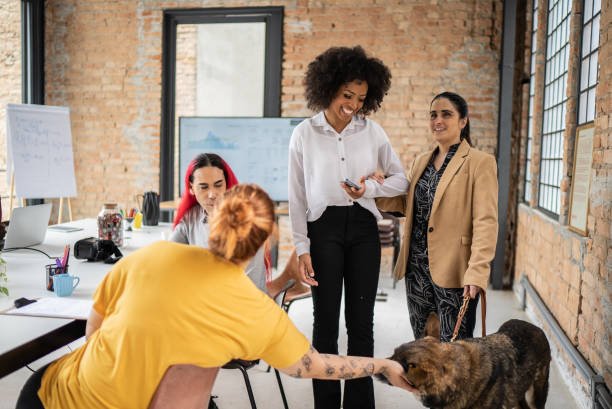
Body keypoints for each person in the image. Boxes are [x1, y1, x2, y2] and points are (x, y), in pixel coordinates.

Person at [16, 184, 414, 409]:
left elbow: (96, 322)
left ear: (213, 221)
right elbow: (315, 366)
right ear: (264, 244)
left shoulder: (152, 255)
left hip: (49, 396)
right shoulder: (258, 315)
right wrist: (381, 364)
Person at [288, 45, 408, 409]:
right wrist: (301, 247)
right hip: (321, 230)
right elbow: (296, 196)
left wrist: (369, 188)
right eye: (346, 95)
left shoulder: (372, 133)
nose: (353, 104)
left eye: (361, 98)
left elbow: (401, 181)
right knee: (324, 325)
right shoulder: (304, 135)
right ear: (328, 89)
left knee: (361, 326)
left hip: (362, 231)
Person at [376, 91, 498, 342]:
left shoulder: (480, 162)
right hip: (416, 270)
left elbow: (486, 221)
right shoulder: (421, 161)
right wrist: (377, 188)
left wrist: (477, 271)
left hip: (455, 271)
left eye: (446, 114)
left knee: (454, 351)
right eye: (433, 115)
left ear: (463, 121)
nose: (437, 120)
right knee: (423, 349)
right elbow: (407, 205)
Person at [169, 153, 269, 292]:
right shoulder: (190, 218)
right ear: (191, 188)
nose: (212, 194)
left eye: (218, 185)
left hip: (243, 304)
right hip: (205, 300)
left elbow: (249, 287)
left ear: (227, 184)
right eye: (204, 187)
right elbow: (168, 256)